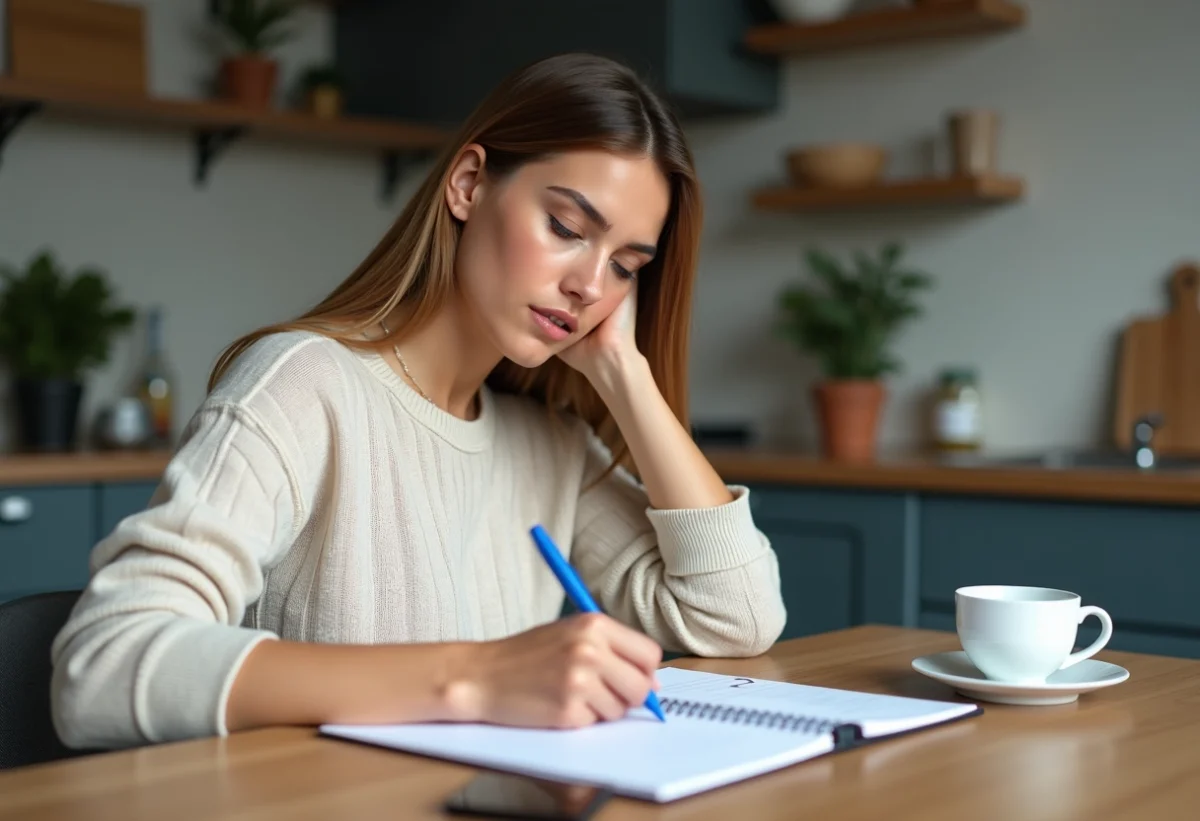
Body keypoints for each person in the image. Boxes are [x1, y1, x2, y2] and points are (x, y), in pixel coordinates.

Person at [50, 52, 786, 751]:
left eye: (626, 267)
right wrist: (472, 676)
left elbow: (737, 619)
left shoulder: (551, 443)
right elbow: (103, 664)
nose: (591, 285)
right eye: (566, 228)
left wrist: (626, 373)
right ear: (467, 184)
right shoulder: (306, 384)